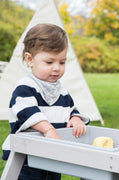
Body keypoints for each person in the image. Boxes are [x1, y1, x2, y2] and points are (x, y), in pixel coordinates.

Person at [2, 23, 90, 180]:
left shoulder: (61, 89)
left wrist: (75, 118)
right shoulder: (26, 86)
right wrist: (49, 130)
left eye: (62, 62)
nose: (57, 68)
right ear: (30, 59)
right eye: (49, 62)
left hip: (53, 154)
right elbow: (26, 112)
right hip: (27, 157)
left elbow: (70, 109)